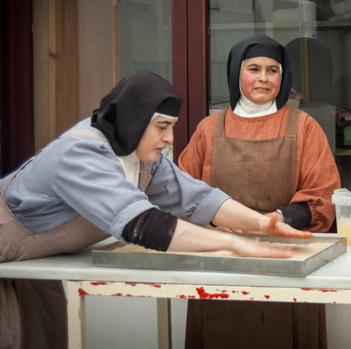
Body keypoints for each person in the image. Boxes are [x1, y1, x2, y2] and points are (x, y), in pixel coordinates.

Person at [0, 71, 311, 349]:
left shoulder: (142, 158)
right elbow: (145, 225)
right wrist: (233, 243)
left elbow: (198, 198)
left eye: (172, 127)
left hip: (37, 262)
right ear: (133, 119)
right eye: (162, 126)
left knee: (43, 336)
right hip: (7, 251)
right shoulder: (80, 153)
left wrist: (261, 224)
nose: (169, 139)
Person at [179, 35, 340, 349]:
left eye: (272, 70)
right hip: (219, 261)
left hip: (288, 260)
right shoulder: (209, 129)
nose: (264, 78)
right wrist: (215, 221)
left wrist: (278, 218)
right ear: (236, 74)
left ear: (283, 77)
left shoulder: (304, 126)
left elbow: (323, 197)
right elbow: (181, 192)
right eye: (254, 69)